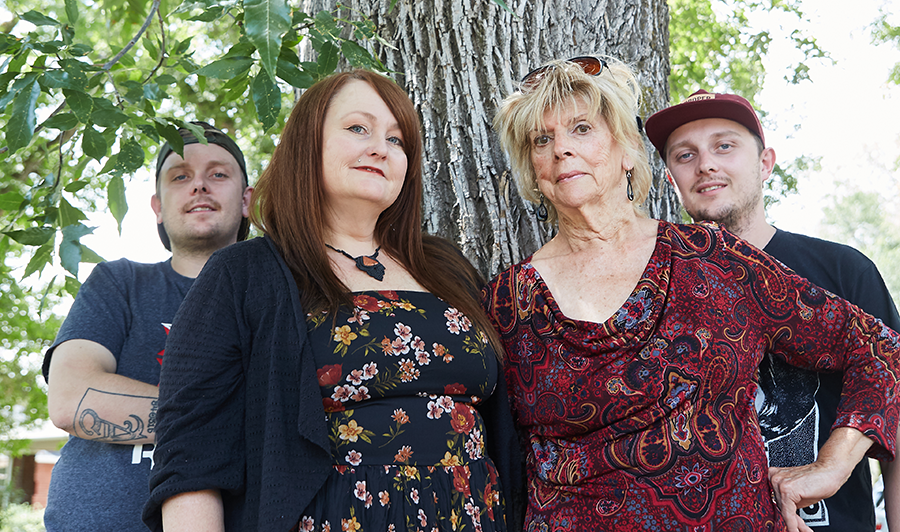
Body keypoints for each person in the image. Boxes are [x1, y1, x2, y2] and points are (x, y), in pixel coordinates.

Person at [482, 55, 900, 532]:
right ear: (532, 170)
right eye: (542, 139)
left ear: (626, 152)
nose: (561, 149)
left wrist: (832, 467)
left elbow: (879, 347)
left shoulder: (714, 259)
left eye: (581, 129)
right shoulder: (506, 302)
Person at [144, 69, 524, 532]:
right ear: (307, 144)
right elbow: (191, 455)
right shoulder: (245, 274)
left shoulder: (446, 267)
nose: (380, 148)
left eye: (397, 139)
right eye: (357, 128)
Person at [644, 88, 900, 531]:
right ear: (671, 179)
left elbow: (895, 413)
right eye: (685, 155)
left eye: (725, 146)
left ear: (765, 163)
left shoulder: (842, 270)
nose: (706, 164)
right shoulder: (653, 289)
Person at [42, 122, 253, 532]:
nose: (199, 186)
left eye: (219, 174)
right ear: (157, 206)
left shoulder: (279, 297)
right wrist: (231, 418)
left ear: (247, 200)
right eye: (180, 176)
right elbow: (72, 400)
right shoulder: (119, 283)